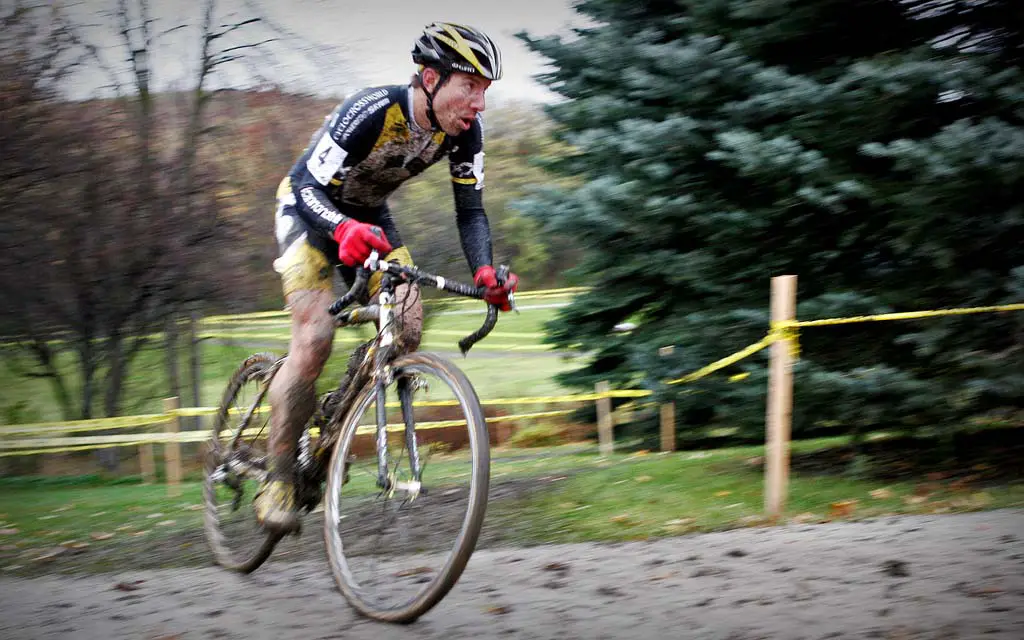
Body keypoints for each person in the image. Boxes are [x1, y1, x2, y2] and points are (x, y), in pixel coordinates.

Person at [257, 22, 519, 532]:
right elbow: (309, 184)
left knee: (407, 323)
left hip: (369, 217)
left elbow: (470, 211)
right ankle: (278, 478)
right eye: (470, 86)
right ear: (430, 78)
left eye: (485, 91)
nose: (478, 104)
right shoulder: (373, 109)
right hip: (308, 212)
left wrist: (484, 270)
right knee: (314, 338)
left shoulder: (464, 135)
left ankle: (337, 418)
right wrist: (340, 227)